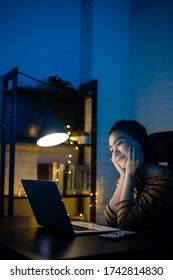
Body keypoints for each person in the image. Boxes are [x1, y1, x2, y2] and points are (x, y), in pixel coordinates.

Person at [104, 119, 173, 233]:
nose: (115, 152)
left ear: (139, 141)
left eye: (119, 143)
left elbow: (125, 225)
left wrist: (129, 176)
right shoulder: (128, 178)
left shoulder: (163, 182)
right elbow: (110, 220)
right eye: (111, 150)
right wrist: (124, 175)